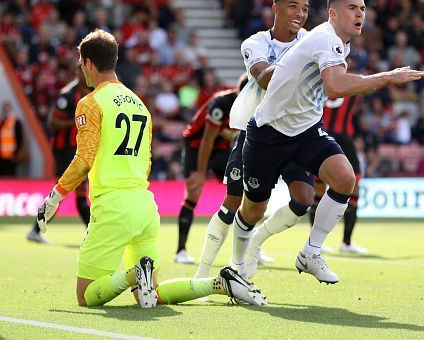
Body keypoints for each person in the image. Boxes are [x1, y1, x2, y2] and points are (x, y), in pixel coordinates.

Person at [36, 29, 265, 308]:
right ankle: (219, 283)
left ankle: (134, 274)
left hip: (112, 207)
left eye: (82, 64)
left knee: (85, 296)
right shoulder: (139, 104)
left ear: (89, 63)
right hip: (145, 207)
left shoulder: (90, 102)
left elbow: (84, 158)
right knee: (153, 293)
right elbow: (146, 162)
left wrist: (56, 194)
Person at [232, 0, 424, 284]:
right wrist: (387, 77)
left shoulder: (339, 43)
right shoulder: (325, 38)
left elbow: (331, 86)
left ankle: (310, 252)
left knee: (345, 179)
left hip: (306, 130)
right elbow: (335, 87)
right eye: (352, 8)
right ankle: (237, 264)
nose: (360, 13)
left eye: (362, 8)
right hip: (269, 132)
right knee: (253, 208)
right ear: (333, 14)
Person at [195, 0, 315, 280]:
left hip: (297, 133)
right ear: (276, 8)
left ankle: (256, 242)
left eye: (304, 8)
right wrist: (303, 58)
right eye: (293, 6)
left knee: (303, 199)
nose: (299, 13)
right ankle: (202, 272)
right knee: (233, 203)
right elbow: (264, 80)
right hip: (257, 133)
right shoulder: (255, 43)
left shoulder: (313, 41)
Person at [175, 74, 248, 264]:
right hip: (196, 145)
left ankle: (246, 248)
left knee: (241, 192)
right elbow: (207, 140)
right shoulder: (221, 104)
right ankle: (180, 251)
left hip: (221, 147)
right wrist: (200, 173)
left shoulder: (254, 107)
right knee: (194, 191)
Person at [27, 69, 92, 244]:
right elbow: (52, 123)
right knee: (72, 195)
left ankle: (35, 229)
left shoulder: (92, 93)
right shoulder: (68, 95)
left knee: (72, 195)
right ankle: (94, 235)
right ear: (80, 71)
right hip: (65, 151)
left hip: (78, 150)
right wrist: (77, 122)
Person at [307, 96, 368, 255]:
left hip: (321, 138)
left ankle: (315, 243)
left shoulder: (319, 85)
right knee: (353, 189)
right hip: (342, 140)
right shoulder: (350, 88)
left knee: (318, 192)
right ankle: (346, 243)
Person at [0, 101, 24, 176]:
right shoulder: (1, 123)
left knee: (11, 177)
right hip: (2, 157)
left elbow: (19, 139)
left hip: (12, 156)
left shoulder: (16, 122)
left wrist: (17, 153)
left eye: (8, 109)